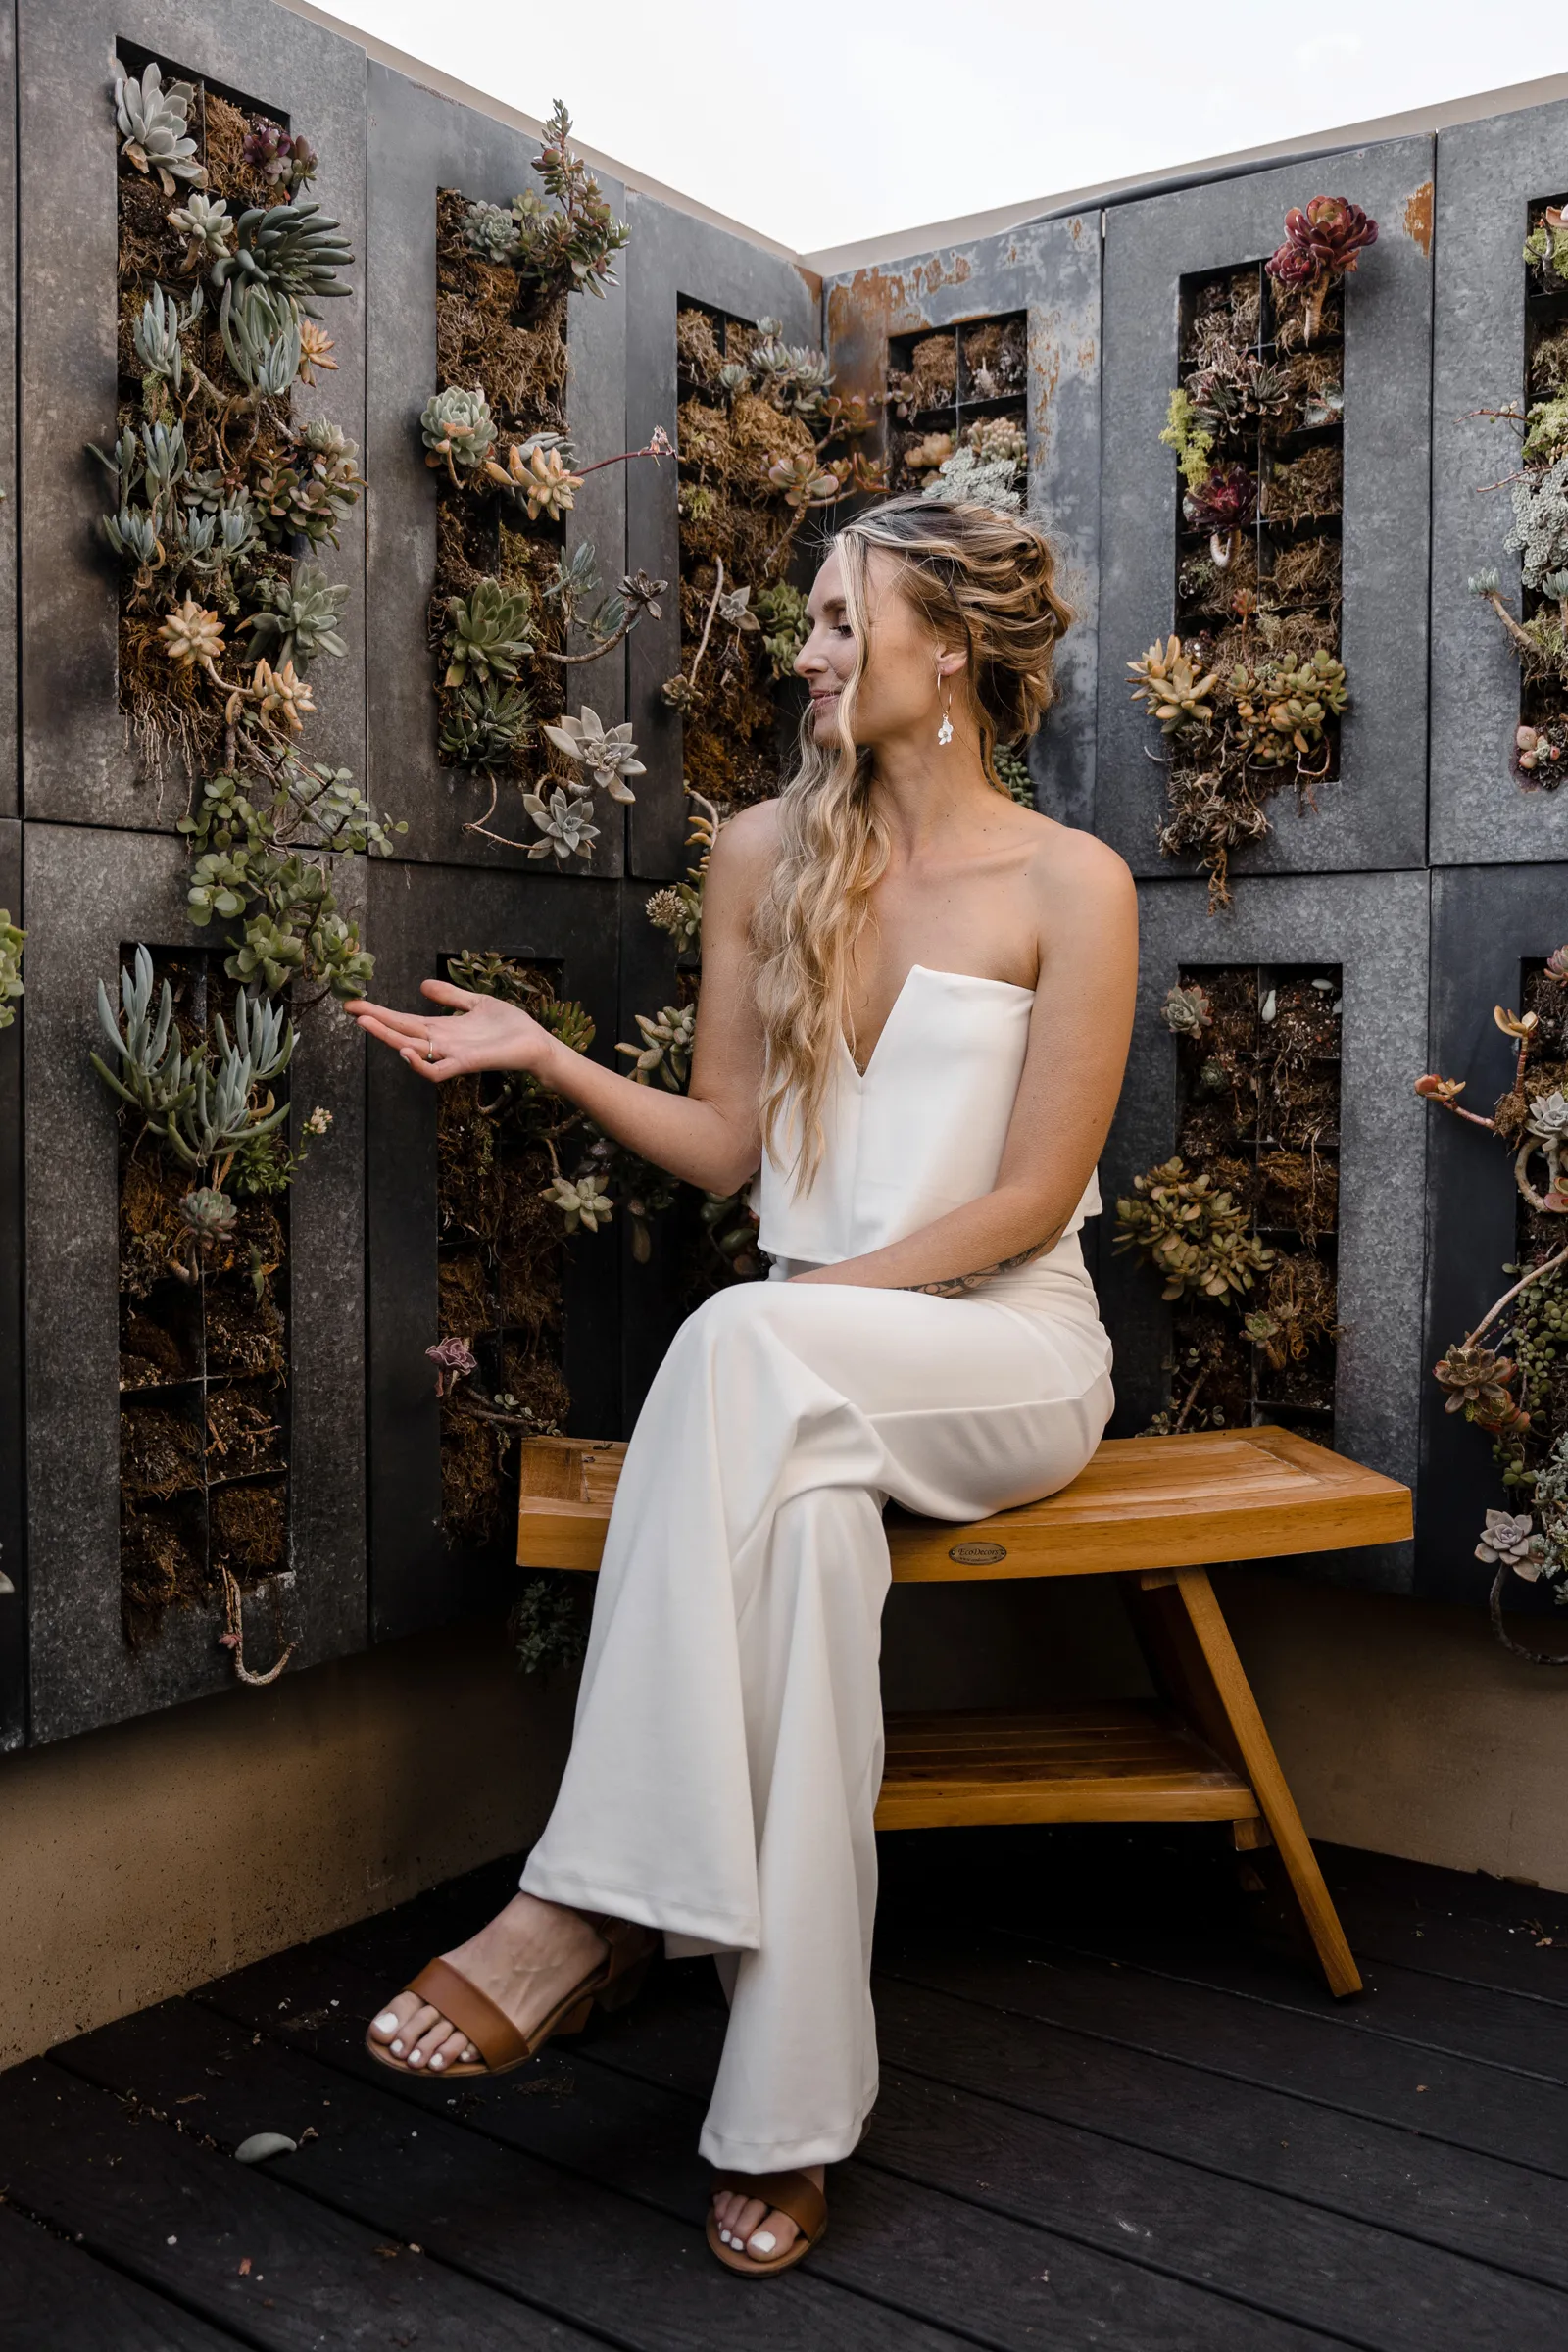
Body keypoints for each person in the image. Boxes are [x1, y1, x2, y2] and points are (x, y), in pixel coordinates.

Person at [345, 494, 1138, 2278]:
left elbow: (1027, 1200)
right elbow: (727, 1147)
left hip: (1002, 1350)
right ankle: (787, 2124)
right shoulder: (763, 854)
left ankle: (584, 1906)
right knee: (811, 1561)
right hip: (797, 1385)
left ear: (952, 649)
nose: (806, 650)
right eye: (813, 619)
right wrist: (547, 1057)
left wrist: (795, 1323)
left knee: (740, 1338)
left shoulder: (1070, 883)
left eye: (844, 620)